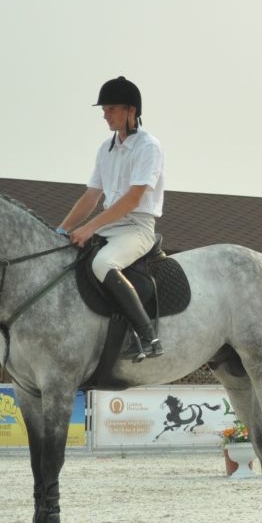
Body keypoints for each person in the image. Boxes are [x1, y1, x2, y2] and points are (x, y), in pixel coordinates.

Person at [56, 76, 167, 361]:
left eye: (111, 109)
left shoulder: (148, 147)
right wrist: (62, 229)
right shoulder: (105, 148)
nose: (105, 115)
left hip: (137, 227)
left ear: (131, 111)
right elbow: (91, 196)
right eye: (104, 110)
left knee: (103, 262)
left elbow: (132, 199)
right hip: (110, 226)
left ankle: (147, 336)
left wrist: (90, 227)